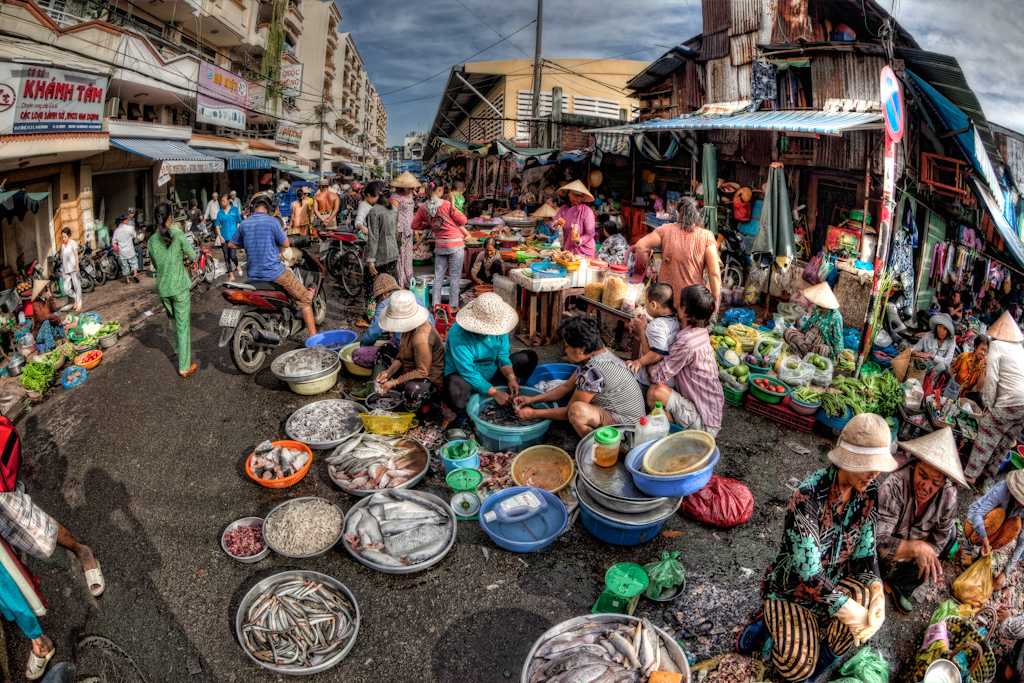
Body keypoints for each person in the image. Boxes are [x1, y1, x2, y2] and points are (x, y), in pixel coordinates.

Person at [745, 413, 897, 681]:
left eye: (877, 467)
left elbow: (865, 552)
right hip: (793, 590)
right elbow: (810, 576)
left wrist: (875, 589)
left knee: (859, 613)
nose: (874, 474)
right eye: (867, 465)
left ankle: (817, 665)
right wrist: (847, 609)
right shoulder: (808, 497)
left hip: (833, 585)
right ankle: (766, 624)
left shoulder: (869, 492)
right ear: (847, 460)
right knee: (795, 664)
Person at [876, 428, 965, 612]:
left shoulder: (949, 496)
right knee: (870, 565)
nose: (926, 487)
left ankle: (899, 586)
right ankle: (879, 579)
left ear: (944, 482)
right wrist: (915, 548)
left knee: (949, 538)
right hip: (887, 549)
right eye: (922, 475)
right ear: (914, 465)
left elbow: (939, 540)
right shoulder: (894, 485)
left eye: (935, 483)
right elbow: (878, 542)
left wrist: (927, 552)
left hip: (910, 553)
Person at [515, 317, 646, 436]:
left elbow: (568, 412)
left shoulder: (593, 371)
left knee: (576, 411)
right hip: (630, 421)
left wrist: (533, 413)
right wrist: (531, 400)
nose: (565, 351)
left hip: (629, 432)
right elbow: (566, 387)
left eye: (566, 346)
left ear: (581, 349)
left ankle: (597, 447)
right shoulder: (601, 355)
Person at [230, 192, 316, 337]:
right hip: (275, 273)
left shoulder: (245, 224)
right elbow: (286, 243)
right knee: (305, 300)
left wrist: (249, 244)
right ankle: (315, 338)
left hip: (253, 275)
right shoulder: (272, 222)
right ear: (269, 207)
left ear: (253, 207)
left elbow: (232, 244)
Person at [443, 292, 537, 417]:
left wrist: (511, 377)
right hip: (465, 377)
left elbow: (503, 356)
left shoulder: (499, 325)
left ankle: (508, 389)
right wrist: (494, 393)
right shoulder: (458, 334)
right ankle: (464, 412)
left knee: (528, 357)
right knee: (455, 386)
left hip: (492, 371)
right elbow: (467, 371)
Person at [647, 284, 723, 435]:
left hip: (705, 424)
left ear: (685, 311)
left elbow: (657, 376)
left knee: (655, 392)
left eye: (680, 303)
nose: (675, 305)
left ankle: (669, 438)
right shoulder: (700, 332)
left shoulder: (687, 343)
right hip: (711, 413)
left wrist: (643, 345)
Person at [633, 196, 721, 313]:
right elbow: (714, 274)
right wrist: (716, 301)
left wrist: (647, 269)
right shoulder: (707, 236)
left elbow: (640, 246)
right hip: (690, 302)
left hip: (665, 300)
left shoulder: (665, 230)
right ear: (698, 214)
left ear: (678, 212)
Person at [965, 312, 1024, 485]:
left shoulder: (997, 346)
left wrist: (989, 405)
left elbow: (992, 380)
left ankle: (970, 476)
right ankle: (987, 479)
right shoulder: (1020, 349)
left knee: (987, 432)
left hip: (1011, 401)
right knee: (1005, 441)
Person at [147, 202, 198, 378]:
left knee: (173, 320)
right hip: (179, 287)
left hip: (163, 288)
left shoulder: (151, 241)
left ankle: (178, 349)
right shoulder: (178, 234)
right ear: (170, 217)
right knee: (183, 326)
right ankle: (184, 366)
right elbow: (193, 256)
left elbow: (154, 265)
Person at [376, 290, 445, 413]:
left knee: (412, 390)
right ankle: (386, 389)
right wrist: (388, 372)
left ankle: (423, 408)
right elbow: (401, 356)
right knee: (385, 350)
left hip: (428, 377)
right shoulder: (408, 329)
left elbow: (422, 371)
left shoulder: (421, 338)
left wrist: (394, 382)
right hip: (411, 368)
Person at [412, 182, 469, 310]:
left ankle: (436, 306)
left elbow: (414, 225)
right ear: (439, 190)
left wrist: (430, 225)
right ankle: (453, 307)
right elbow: (463, 221)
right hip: (456, 244)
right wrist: (454, 207)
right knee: (455, 278)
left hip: (440, 247)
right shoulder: (447, 205)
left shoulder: (423, 208)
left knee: (438, 277)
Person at [965, 470, 1024, 591]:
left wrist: (1005, 573)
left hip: (994, 532)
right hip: (974, 525)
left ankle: (984, 552)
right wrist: (985, 541)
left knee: (1016, 524)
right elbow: (977, 515)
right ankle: (968, 547)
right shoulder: (1003, 489)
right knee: (999, 514)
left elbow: (1022, 543)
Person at [626, 283, 679, 385]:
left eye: (646, 303)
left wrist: (639, 362)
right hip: (668, 379)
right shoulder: (675, 320)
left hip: (648, 380)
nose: (645, 307)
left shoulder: (656, 325)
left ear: (653, 305)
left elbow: (656, 354)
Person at [784, 281, 845, 359]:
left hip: (818, 345)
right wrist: (800, 333)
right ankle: (803, 351)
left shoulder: (836, 317)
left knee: (823, 350)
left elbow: (838, 339)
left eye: (821, 306)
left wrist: (838, 354)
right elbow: (807, 325)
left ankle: (801, 350)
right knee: (787, 332)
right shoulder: (817, 309)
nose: (818, 307)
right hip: (806, 339)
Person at [365, 180, 399, 285]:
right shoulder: (393, 208)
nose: (366, 200)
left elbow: (373, 238)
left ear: (370, 195)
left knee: (374, 287)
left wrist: (370, 261)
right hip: (393, 253)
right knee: (391, 285)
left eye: (366, 197)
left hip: (380, 256)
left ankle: (376, 302)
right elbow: (396, 232)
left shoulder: (374, 211)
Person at [391, 172, 420, 287]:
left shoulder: (411, 195)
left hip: (410, 229)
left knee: (408, 256)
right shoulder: (395, 197)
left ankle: (409, 280)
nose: (412, 189)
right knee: (400, 257)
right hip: (400, 230)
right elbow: (393, 215)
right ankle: (401, 283)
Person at [553, 180, 597, 257]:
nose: (577, 198)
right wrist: (556, 224)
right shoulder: (563, 209)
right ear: (569, 194)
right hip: (568, 249)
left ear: (583, 198)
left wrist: (579, 240)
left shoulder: (587, 211)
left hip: (584, 250)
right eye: (575, 195)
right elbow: (554, 224)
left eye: (580, 196)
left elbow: (590, 233)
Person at [362, 274, 401, 346]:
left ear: (384, 294)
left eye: (378, 298)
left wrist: (363, 346)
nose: (379, 301)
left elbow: (373, 333)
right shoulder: (410, 295)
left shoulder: (384, 305)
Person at [951, 334, 989, 402]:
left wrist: (984, 370)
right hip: (952, 391)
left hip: (963, 398)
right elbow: (952, 370)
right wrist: (952, 387)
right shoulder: (964, 357)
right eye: (982, 349)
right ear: (975, 347)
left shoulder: (981, 367)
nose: (983, 353)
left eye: (986, 351)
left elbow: (978, 388)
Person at [29, 280, 64, 351]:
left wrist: (50, 299)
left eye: (45, 288)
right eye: (44, 288)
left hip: (49, 330)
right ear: (40, 291)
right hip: (40, 333)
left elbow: (55, 309)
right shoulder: (35, 303)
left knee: (57, 315)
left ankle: (61, 339)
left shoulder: (45, 300)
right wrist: (54, 316)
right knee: (47, 322)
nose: (45, 290)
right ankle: (50, 347)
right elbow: (42, 318)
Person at [214, 194, 242, 282]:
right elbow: (217, 225)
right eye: (221, 201)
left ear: (228, 201)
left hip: (233, 238)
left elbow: (239, 222)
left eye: (223, 201)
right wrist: (220, 236)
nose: (222, 203)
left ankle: (237, 265)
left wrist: (238, 233)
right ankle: (231, 275)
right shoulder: (220, 212)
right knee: (226, 257)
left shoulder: (235, 210)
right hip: (224, 238)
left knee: (233, 256)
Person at [57, 228, 83, 311]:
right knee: (66, 288)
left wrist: (77, 266)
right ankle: (76, 298)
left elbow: (76, 255)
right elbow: (62, 258)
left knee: (77, 286)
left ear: (68, 236)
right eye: (62, 237)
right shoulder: (62, 246)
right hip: (65, 270)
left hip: (73, 268)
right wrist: (62, 269)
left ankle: (79, 303)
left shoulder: (73, 243)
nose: (63, 238)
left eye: (64, 237)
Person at [111, 215, 138, 284]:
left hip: (122, 251)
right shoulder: (130, 228)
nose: (128, 221)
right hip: (130, 250)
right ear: (124, 221)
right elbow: (135, 236)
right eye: (127, 220)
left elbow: (114, 242)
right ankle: (135, 274)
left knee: (125, 266)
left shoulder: (116, 231)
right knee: (134, 262)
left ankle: (128, 279)